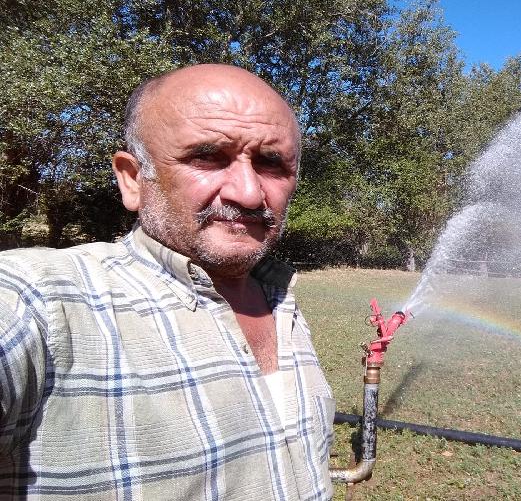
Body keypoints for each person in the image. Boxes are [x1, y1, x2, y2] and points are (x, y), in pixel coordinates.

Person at [0, 64, 335, 500]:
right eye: (207, 157)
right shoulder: (39, 298)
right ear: (132, 179)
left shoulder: (279, 299)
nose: (249, 193)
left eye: (271, 164)